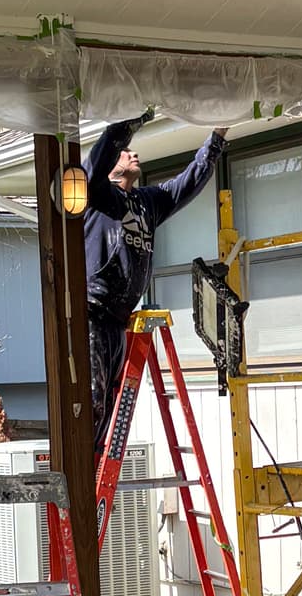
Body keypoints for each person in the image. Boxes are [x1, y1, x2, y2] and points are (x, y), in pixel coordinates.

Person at [83, 119, 228, 436]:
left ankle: (89, 478)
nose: (132, 154)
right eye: (125, 153)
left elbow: (190, 181)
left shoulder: (148, 202)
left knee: (106, 405)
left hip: (118, 321)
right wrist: (130, 120)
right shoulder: (97, 196)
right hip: (92, 314)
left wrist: (218, 134)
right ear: (111, 166)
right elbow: (98, 157)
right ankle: (82, 477)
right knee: (91, 403)